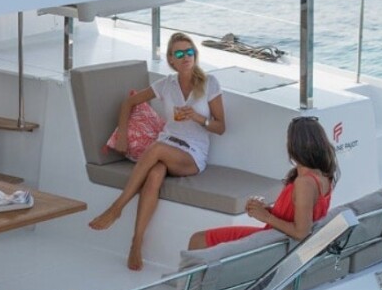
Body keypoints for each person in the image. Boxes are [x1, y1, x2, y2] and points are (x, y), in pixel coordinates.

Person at [90, 32, 226, 270]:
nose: (186, 57)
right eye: (180, 53)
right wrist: (122, 135)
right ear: (171, 59)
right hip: (167, 145)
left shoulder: (209, 83)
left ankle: (117, 208)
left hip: (193, 153)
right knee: (154, 175)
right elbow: (128, 102)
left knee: (156, 149)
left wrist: (198, 118)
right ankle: (136, 244)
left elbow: (221, 127)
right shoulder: (166, 84)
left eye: (190, 52)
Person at [188, 116, 338, 249]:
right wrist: (267, 210)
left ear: (294, 145)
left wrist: (265, 216)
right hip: (277, 241)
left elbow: (301, 232)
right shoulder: (323, 176)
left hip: (273, 243)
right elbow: (302, 215)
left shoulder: (304, 183)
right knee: (199, 239)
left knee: (198, 240)